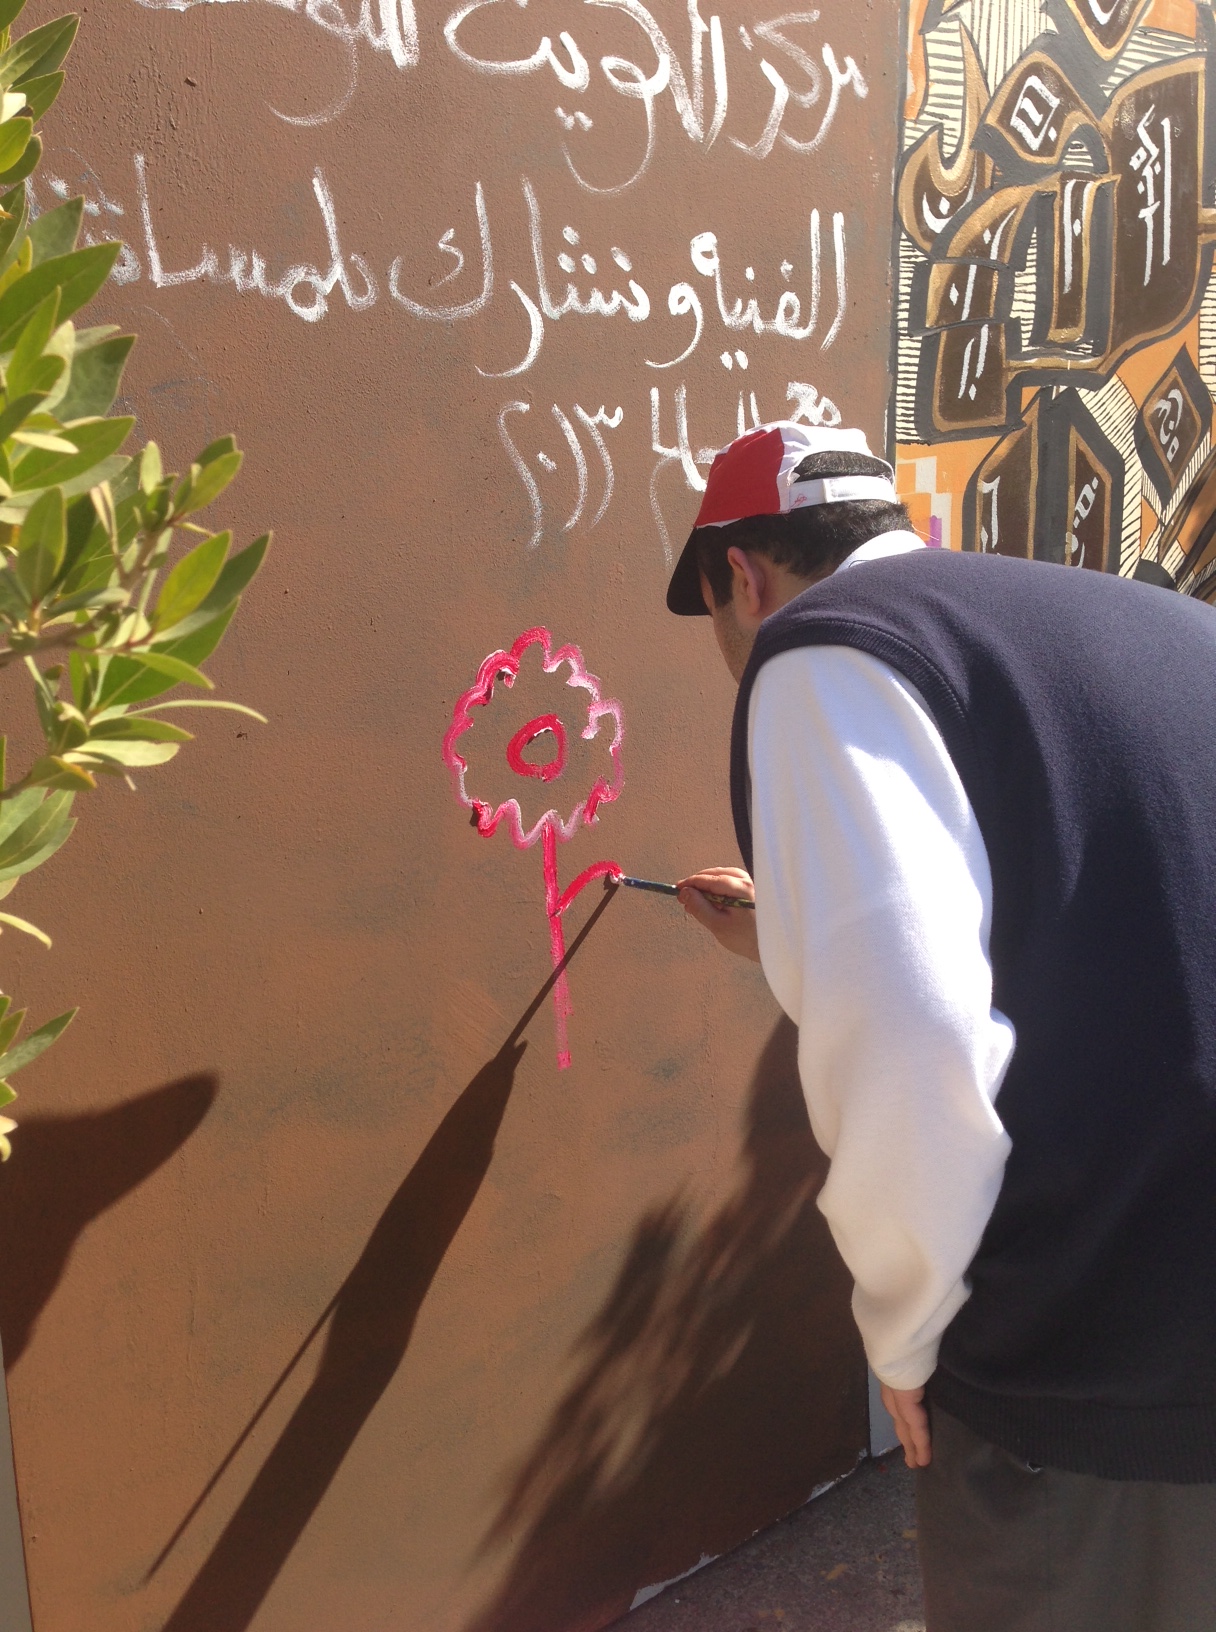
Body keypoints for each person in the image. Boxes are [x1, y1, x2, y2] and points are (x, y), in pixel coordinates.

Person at [666, 420, 1216, 1632]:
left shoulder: (821, 647)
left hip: (1094, 1364)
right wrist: (797, 930)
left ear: (740, 577)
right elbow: (1110, 917)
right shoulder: (1153, 623)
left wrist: (905, 1329)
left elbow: (915, 1035)